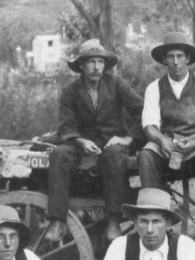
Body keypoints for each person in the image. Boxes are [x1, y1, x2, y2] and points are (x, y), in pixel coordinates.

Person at [45, 39, 144, 243]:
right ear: (81, 65)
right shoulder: (70, 91)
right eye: (91, 62)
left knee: (116, 155)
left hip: (112, 142)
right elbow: (65, 125)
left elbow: (142, 111)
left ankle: (114, 220)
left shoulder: (116, 84)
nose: (97, 67)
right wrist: (80, 141)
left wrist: (127, 139)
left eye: (100, 62)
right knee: (58, 155)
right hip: (81, 144)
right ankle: (57, 220)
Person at [138, 31, 195, 240]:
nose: (175, 62)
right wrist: (161, 140)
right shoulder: (154, 88)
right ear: (164, 60)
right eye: (171, 57)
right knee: (147, 155)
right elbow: (149, 125)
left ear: (187, 58)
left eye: (180, 56)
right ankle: (154, 217)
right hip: (168, 146)